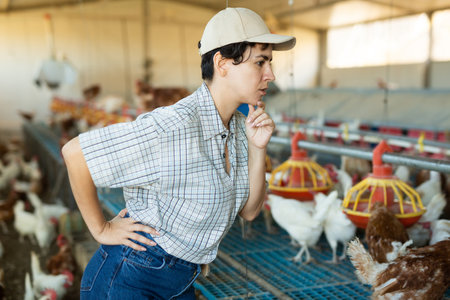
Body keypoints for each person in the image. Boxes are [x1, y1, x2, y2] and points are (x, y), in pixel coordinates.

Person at [62, 7, 295, 299]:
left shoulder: (238, 128)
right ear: (222, 64)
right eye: (260, 62)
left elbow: (250, 211)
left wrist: (258, 149)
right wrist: (102, 229)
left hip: (181, 279)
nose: (270, 74)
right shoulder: (173, 126)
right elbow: (75, 154)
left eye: (270, 63)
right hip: (131, 277)